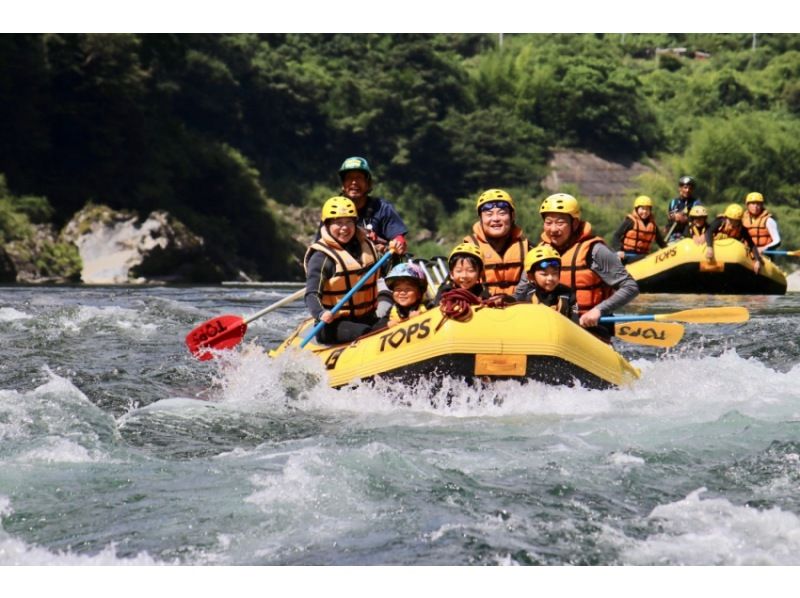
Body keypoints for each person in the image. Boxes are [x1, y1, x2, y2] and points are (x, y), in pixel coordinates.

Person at [535, 193, 639, 341]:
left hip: (593, 331)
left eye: (560, 223)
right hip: (553, 332)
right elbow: (523, 291)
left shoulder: (595, 251)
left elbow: (630, 287)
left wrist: (598, 310)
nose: (553, 229)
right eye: (548, 222)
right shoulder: (539, 252)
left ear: (575, 223)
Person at [303, 196, 385, 344]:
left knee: (389, 325)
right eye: (338, 223)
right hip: (333, 325)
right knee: (368, 334)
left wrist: (395, 254)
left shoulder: (367, 247)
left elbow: (386, 271)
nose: (345, 228)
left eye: (349, 222)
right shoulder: (321, 257)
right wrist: (321, 313)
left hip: (367, 318)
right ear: (327, 225)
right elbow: (311, 294)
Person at [463, 189, 529, 296]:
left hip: (519, 307)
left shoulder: (528, 248)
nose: (496, 219)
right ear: (480, 219)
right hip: (482, 306)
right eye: (489, 214)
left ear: (512, 217)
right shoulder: (467, 249)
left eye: (502, 213)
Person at [337, 156, 408, 255]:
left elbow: (398, 238)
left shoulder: (383, 208)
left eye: (359, 177)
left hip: (378, 265)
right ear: (343, 185)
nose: (354, 182)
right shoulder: (334, 209)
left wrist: (399, 244)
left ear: (368, 184)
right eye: (349, 178)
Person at [513, 245, 579, 322]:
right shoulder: (525, 295)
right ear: (531, 276)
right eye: (544, 274)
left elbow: (575, 323)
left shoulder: (568, 294)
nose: (550, 278)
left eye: (555, 273)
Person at [704, 203, 764, 274]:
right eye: (731, 219)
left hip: (730, 255)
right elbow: (708, 232)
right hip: (716, 250)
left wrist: (757, 260)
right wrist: (709, 247)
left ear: (739, 220)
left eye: (736, 220)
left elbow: (751, 244)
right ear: (727, 217)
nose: (733, 223)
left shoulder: (741, 228)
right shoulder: (720, 222)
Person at [612, 195, 668, 262]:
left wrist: (668, 249)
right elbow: (616, 236)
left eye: (647, 209)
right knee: (645, 258)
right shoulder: (630, 222)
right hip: (627, 255)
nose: (645, 212)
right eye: (642, 209)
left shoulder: (653, 225)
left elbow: (660, 242)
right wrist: (618, 250)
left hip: (643, 256)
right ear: (636, 209)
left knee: (646, 257)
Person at [377, 262, 432, 328]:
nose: (402, 293)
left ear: (419, 293)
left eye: (408, 289)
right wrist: (386, 325)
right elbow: (375, 327)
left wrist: (423, 316)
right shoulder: (391, 311)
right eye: (398, 289)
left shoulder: (428, 306)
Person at [666, 175, 703, 243]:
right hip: (674, 237)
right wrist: (674, 216)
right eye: (685, 188)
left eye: (690, 188)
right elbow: (669, 216)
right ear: (680, 188)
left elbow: (700, 219)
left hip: (691, 236)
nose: (687, 190)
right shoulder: (673, 202)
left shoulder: (696, 203)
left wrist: (686, 218)